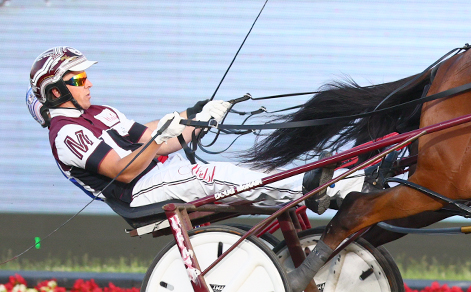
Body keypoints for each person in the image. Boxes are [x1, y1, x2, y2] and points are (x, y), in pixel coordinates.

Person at [28, 46, 355, 214]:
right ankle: (311, 190)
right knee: (213, 174)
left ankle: (345, 187)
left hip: (162, 175)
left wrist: (200, 115)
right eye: (80, 80)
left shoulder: (103, 111)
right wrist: (159, 138)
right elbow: (121, 171)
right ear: (56, 91)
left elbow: (157, 137)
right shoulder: (65, 134)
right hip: (139, 193)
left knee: (249, 167)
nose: (89, 84)